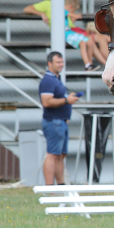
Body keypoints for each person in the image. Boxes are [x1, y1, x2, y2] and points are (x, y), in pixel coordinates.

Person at [24, 0, 101, 70]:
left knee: (89, 41)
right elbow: (68, 13)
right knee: (82, 43)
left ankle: (90, 63)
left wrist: (74, 18)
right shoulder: (60, 10)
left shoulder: (63, 12)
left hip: (69, 32)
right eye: (73, 10)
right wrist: (75, 15)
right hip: (65, 34)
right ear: (70, 6)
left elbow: (69, 23)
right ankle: (87, 65)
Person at [40, 52, 81, 185]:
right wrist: (66, 100)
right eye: (58, 62)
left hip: (61, 122)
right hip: (53, 122)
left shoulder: (56, 79)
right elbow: (46, 102)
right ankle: (49, 188)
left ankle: (61, 186)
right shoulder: (47, 80)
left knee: (60, 155)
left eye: (62, 62)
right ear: (49, 64)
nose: (61, 64)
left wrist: (68, 99)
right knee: (52, 154)